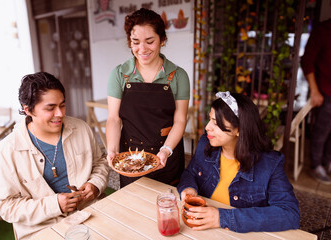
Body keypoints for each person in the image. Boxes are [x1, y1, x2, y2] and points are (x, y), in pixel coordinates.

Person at [0, 72, 109, 240]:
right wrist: (54, 205)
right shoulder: (7, 150)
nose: (59, 113)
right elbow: (4, 205)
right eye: (50, 108)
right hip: (41, 229)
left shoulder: (81, 128)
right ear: (27, 109)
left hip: (90, 212)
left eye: (62, 105)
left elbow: (100, 163)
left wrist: (95, 184)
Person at [177, 92, 300, 233]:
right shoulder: (206, 144)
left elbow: (290, 214)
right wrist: (188, 189)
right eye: (210, 119)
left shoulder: (270, 164)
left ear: (239, 130)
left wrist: (221, 218)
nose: (207, 127)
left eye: (216, 123)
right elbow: (190, 172)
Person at [106, 8, 190, 187]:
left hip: (166, 156)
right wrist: (112, 150)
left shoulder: (178, 76)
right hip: (129, 158)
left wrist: (166, 151)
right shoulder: (120, 74)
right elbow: (113, 118)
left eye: (149, 41)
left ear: (162, 40)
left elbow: (180, 120)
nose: (142, 49)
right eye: (135, 42)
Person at [300, 19, 331, 184]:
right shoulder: (323, 30)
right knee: (321, 132)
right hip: (325, 92)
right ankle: (316, 166)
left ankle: (327, 162)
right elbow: (307, 61)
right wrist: (314, 90)